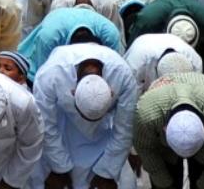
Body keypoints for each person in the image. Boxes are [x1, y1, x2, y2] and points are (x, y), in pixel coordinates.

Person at [32, 44, 138, 189]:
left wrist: (106, 172)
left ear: (111, 93)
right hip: (61, 127)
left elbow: (125, 129)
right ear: (73, 92)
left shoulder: (123, 76)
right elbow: (45, 125)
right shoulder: (50, 75)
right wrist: (59, 167)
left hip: (104, 132)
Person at [133, 72, 204, 189]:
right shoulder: (146, 116)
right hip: (162, 139)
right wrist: (164, 183)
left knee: (203, 173)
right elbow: (146, 150)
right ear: (165, 128)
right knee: (165, 176)